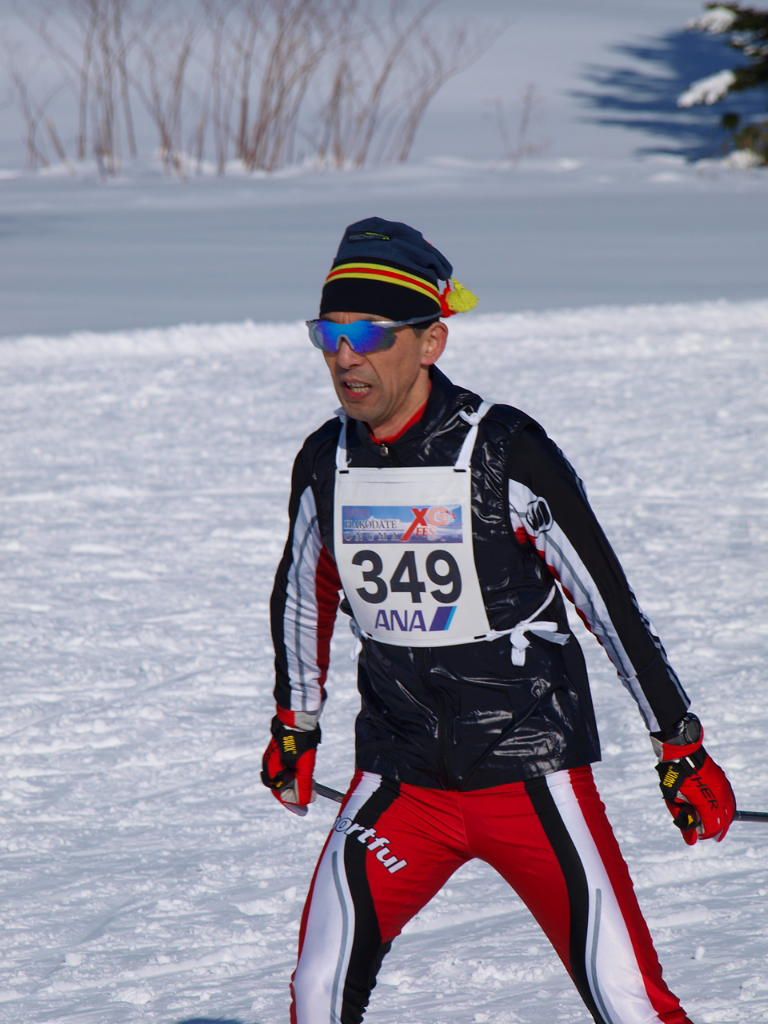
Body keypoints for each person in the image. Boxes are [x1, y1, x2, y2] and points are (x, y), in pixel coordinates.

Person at [261, 216, 735, 1024]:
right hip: (401, 784)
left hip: (530, 775)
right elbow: (305, 593)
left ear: (430, 341)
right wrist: (294, 725)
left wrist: (678, 742)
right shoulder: (325, 460)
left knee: (631, 1003)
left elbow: (608, 604)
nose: (344, 356)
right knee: (318, 989)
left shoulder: (505, 449)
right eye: (328, 332)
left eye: (368, 333)